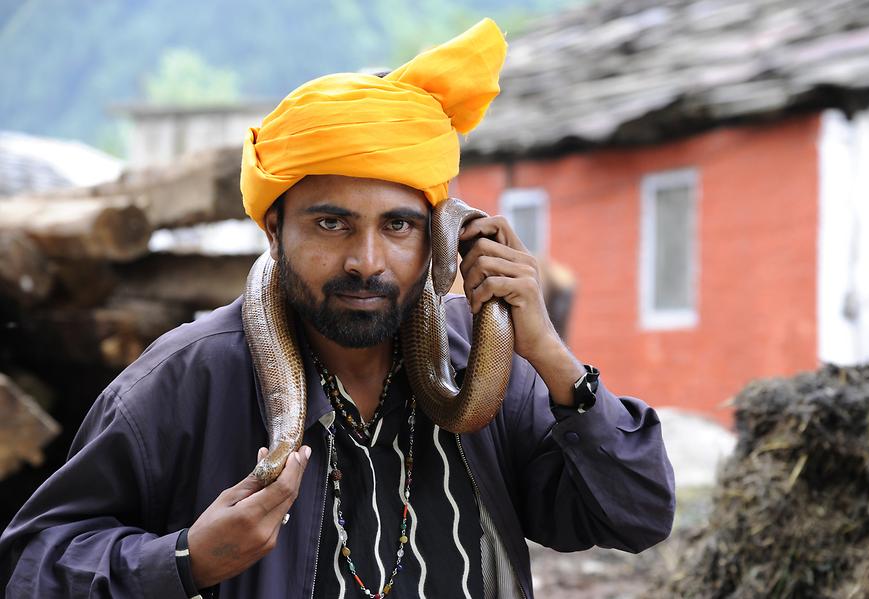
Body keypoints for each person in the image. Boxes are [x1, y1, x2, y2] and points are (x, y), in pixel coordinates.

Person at [0, 18, 675, 599]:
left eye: (399, 226)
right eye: (330, 224)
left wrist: (550, 355)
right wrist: (185, 560)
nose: (367, 260)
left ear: (438, 238)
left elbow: (637, 515)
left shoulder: (486, 369)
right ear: (273, 230)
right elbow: (31, 563)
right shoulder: (183, 380)